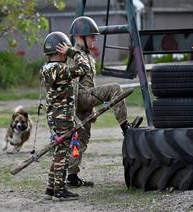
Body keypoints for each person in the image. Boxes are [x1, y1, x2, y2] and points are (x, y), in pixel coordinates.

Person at [67, 16, 143, 188]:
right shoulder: (74, 56)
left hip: (85, 101)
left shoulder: (86, 56)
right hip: (80, 98)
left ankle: (71, 177)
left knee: (80, 141)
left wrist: (90, 111)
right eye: (92, 36)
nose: (95, 39)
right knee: (115, 88)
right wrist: (72, 116)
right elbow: (72, 87)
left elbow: (90, 84)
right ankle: (126, 128)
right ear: (81, 36)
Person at [40, 31, 89, 201]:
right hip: (63, 118)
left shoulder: (46, 68)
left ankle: (51, 188)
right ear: (61, 51)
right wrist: (72, 52)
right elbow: (85, 67)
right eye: (65, 51)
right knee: (63, 153)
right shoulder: (61, 69)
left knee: (58, 151)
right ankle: (60, 191)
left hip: (53, 116)